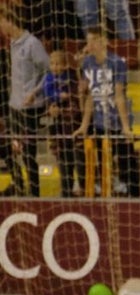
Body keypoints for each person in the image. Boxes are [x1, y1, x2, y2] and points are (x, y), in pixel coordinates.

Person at [75, 26, 140, 197]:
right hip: (98, 122)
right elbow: (90, 96)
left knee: (127, 162)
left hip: (116, 120)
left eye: (93, 40)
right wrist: (84, 125)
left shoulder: (116, 63)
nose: (90, 45)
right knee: (100, 160)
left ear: (103, 41)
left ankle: (134, 195)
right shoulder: (88, 63)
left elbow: (119, 95)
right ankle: (101, 192)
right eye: (88, 41)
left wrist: (125, 127)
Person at [1, 8, 48, 197]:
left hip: (30, 108)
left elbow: (48, 71)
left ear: (10, 21)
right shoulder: (12, 44)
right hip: (14, 106)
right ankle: (19, 185)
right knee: (8, 148)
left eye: (1, 22)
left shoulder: (32, 44)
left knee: (29, 154)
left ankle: (35, 195)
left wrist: (35, 92)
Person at [42, 50, 84, 197]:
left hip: (73, 125)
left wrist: (64, 106)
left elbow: (76, 101)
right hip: (57, 127)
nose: (55, 67)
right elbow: (47, 95)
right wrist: (52, 105)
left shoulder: (71, 78)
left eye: (58, 64)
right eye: (52, 64)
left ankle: (82, 186)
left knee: (77, 157)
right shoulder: (48, 78)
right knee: (62, 158)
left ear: (65, 65)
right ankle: (66, 189)